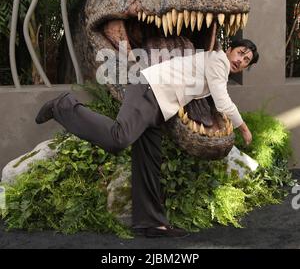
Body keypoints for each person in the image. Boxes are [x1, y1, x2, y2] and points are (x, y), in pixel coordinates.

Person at [35, 38, 259, 238]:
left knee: (149, 161)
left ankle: (151, 223)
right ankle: (64, 106)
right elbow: (222, 102)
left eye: (247, 60)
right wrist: (244, 128)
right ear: (229, 50)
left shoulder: (213, 62)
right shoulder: (218, 62)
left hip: (159, 105)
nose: (241, 60)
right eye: (240, 53)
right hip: (149, 92)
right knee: (118, 137)